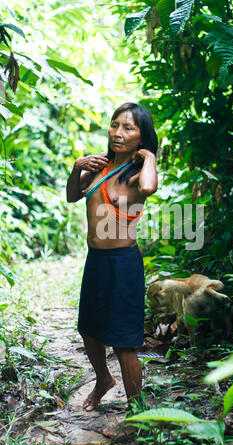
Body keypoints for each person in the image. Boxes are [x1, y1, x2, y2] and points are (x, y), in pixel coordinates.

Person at [66, 102, 158, 414]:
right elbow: (73, 195)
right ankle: (103, 380)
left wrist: (150, 157)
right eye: (115, 124)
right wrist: (78, 166)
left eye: (128, 128)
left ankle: (137, 414)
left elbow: (149, 186)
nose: (118, 132)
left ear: (141, 137)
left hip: (123, 264)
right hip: (96, 261)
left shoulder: (134, 176)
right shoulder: (100, 168)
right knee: (88, 329)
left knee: (123, 342)